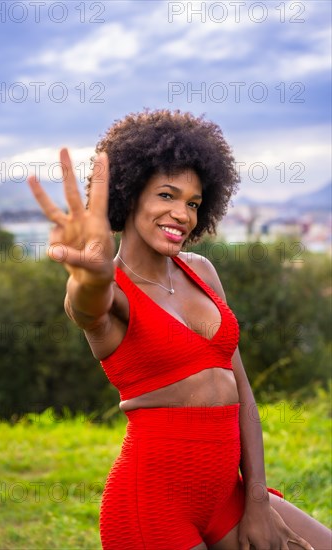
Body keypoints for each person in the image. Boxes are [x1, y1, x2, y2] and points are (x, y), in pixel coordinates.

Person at [28, 109, 331, 550]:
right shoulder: (114, 296)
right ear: (130, 195)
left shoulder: (201, 272)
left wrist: (257, 498)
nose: (182, 214)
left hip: (229, 495)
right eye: (167, 195)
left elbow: (241, 389)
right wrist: (91, 275)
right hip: (150, 507)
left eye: (192, 202)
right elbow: (86, 304)